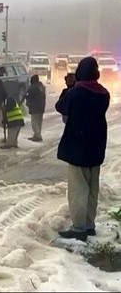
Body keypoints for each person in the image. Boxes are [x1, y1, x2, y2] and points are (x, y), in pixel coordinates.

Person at [55, 57, 110, 242]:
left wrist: (71, 87)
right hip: (96, 147)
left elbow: (61, 106)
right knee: (92, 188)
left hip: (78, 147)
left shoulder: (76, 93)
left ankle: (78, 228)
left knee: (78, 189)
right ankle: (89, 225)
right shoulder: (103, 94)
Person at [23, 74, 46, 142]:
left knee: (34, 122)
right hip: (41, 106)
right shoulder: (42, 87)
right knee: (39, 122)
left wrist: (27, 98)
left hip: (35, 107)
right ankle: (37, 135)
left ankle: (37, 136)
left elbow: (29, 96)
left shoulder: (32, 88)